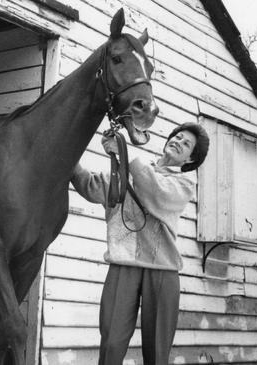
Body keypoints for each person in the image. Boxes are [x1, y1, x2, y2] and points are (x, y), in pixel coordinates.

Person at [71, 122, 210, 365]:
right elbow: (91, 186)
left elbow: (156, 191)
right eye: (177, 136)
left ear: (189, 160)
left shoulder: (184, 184)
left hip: (163, 271)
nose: (178, 141)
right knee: (111, 342)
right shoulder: (134, 169)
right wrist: (69, 156)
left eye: (186, 144)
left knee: (156, 353)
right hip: (124, 262)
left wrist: (125, 152)